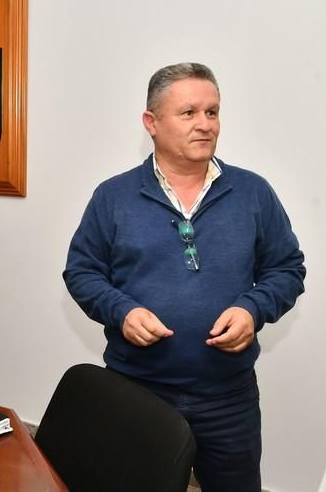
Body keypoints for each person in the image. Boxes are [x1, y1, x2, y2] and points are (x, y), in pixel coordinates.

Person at [63, 62, 305, 491]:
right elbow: (82, 271)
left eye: (212, 112)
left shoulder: (253, 192)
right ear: (151, 123)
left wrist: (253, 309)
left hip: (228, 398)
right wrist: (122, 310)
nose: (205, 125)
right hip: (136, 391)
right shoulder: (113, 196)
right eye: (189, 113)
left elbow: (287, 269)